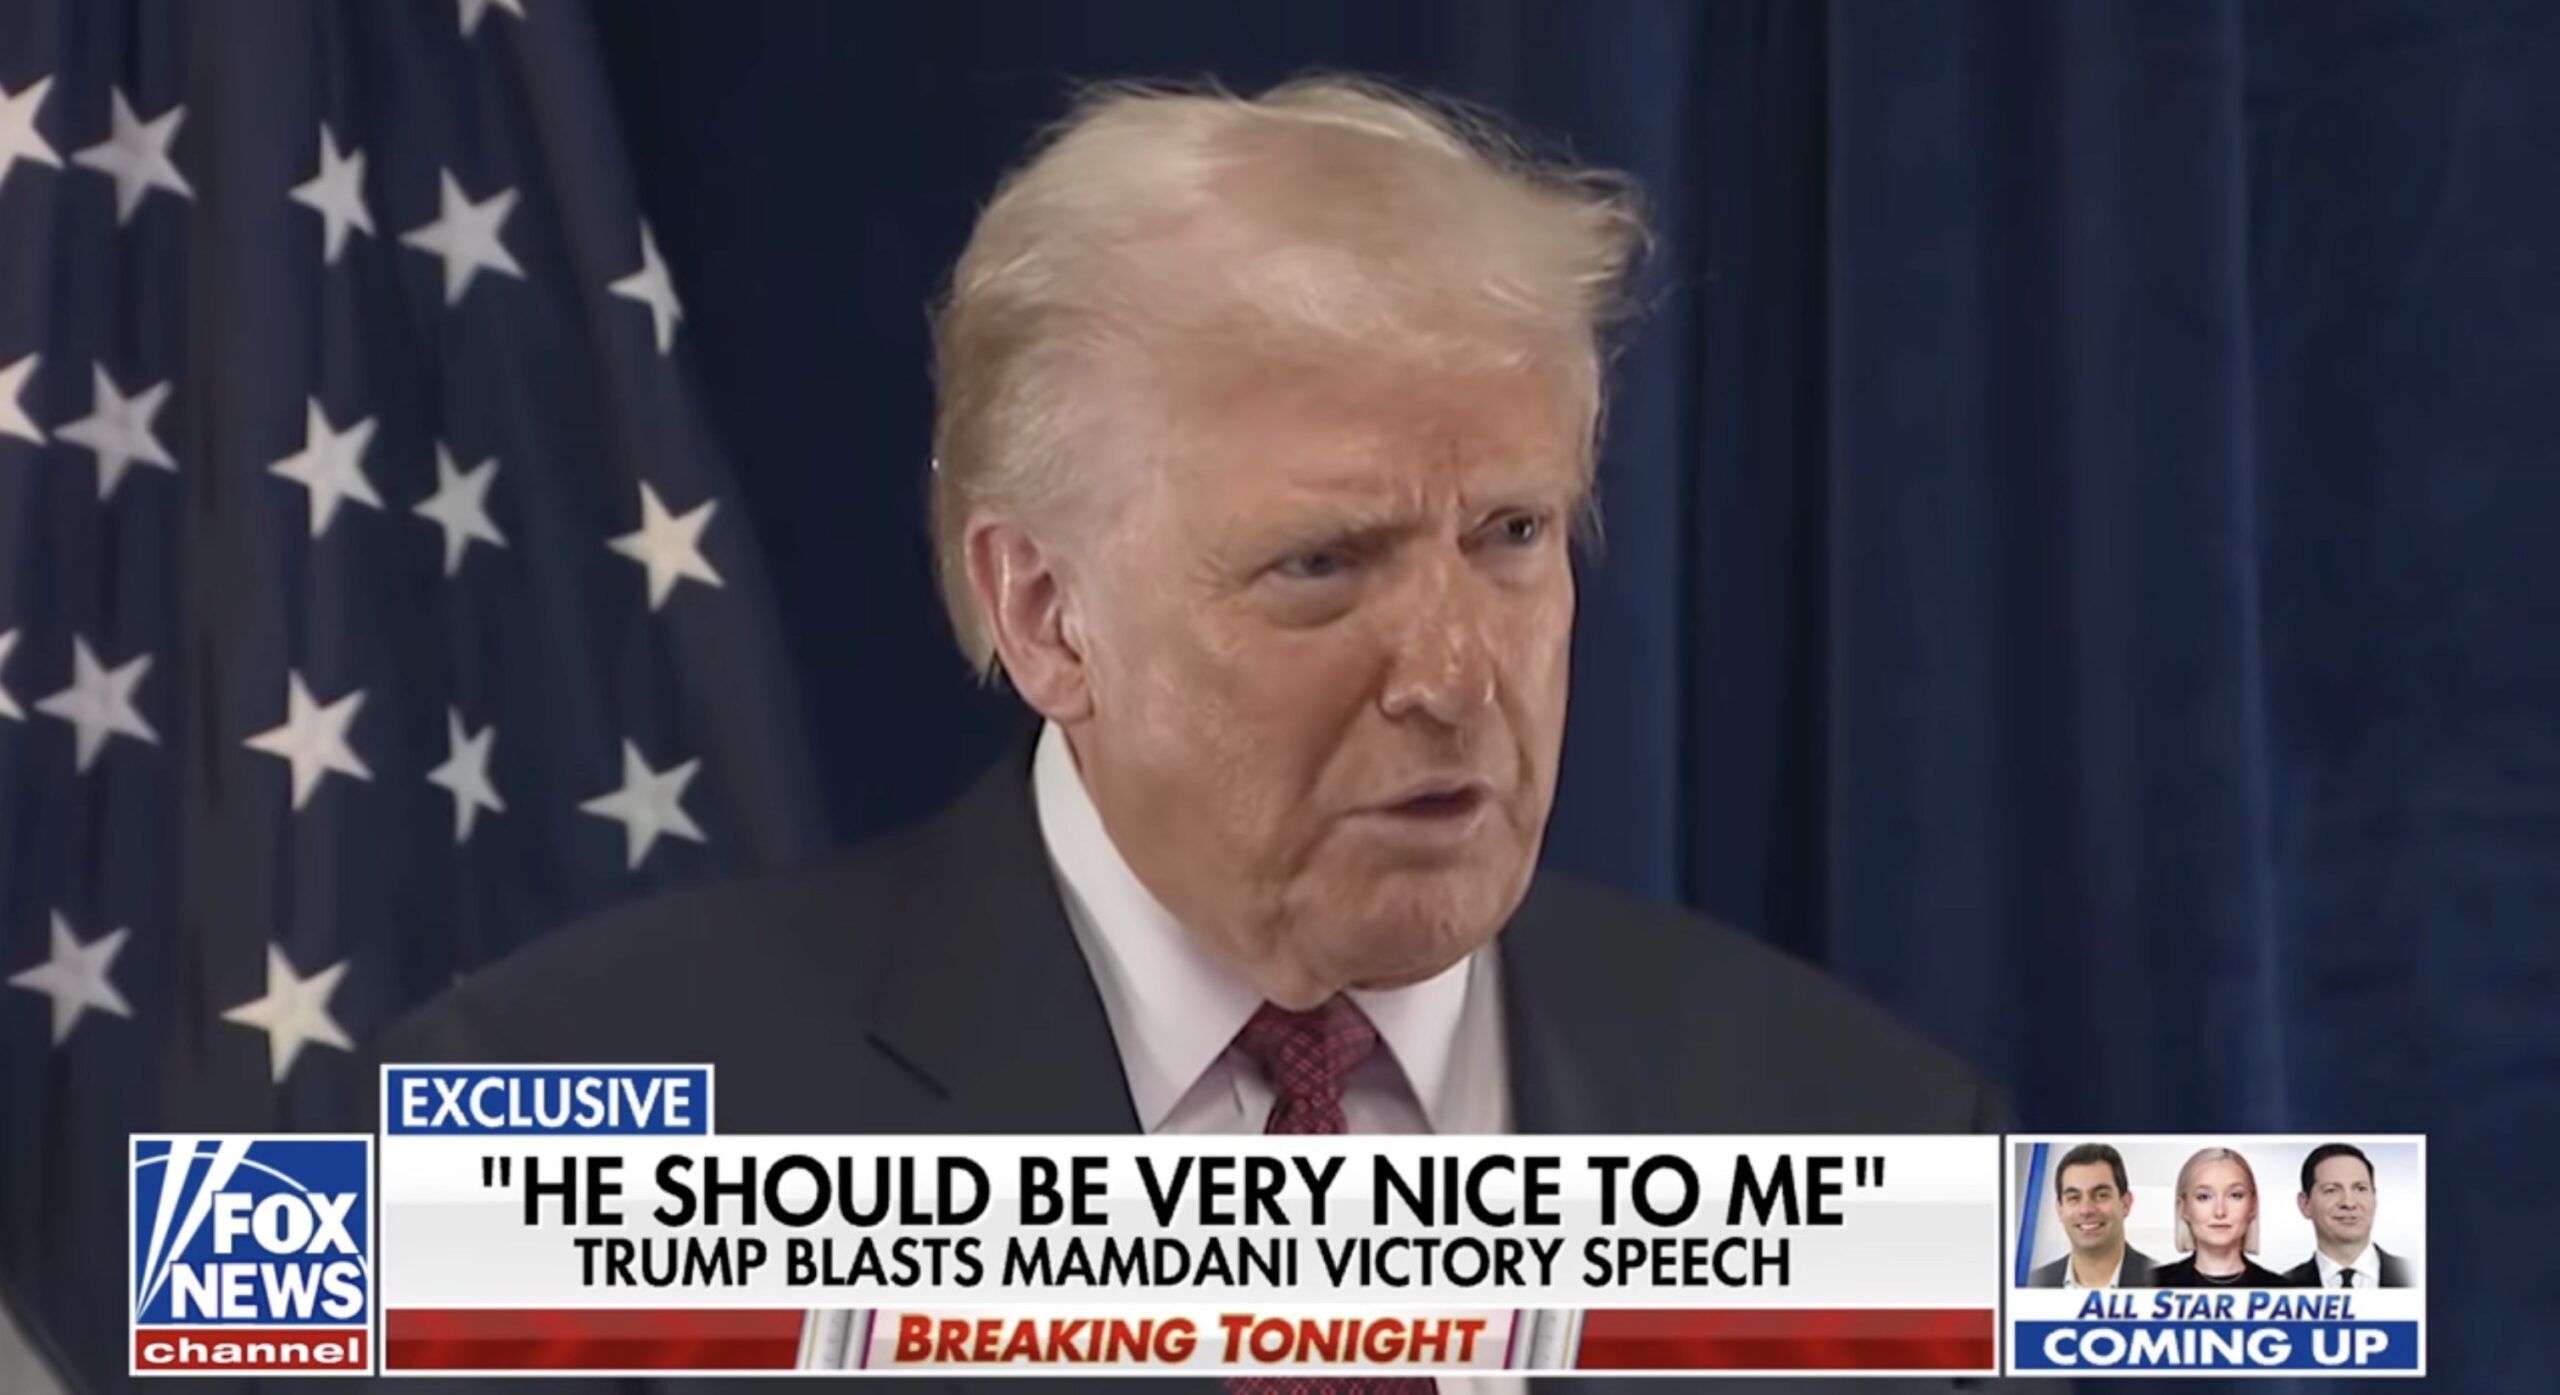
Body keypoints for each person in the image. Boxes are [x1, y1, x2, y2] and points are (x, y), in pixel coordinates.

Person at [380, 76, 2003, 1391]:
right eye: (1325, 562)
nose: (1455, 672)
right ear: (1044, 613)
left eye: (1512, 534)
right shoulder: (558, 1125)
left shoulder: (1876, 1138)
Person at [2147, 1147, 2297, 1288]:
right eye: (2204, 1197)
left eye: (2235, 1195)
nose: (2220, 1212)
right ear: (2183, 1208)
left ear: (2253, 1206)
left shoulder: (2284, 1290)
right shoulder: (2148, 1285)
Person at [2282, 1142, 2412, 1288]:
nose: (2349, 1203)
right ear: (2305, 1204)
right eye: (2331, 1190)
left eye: (2360, 1189)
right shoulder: (2282, 1286)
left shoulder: (2417, 1275)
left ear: (2374, 1198)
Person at [2028, 1143, 2156, 1288]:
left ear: (2126, 1204)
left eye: (2101, 1195)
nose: (2086, 1210)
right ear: (2060, 1210)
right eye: (2074, 1198)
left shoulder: (2161, 1282)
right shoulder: (2032, 1284)